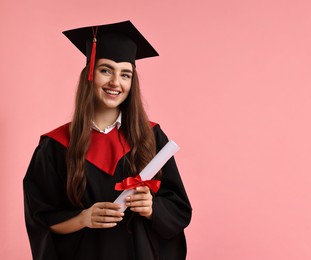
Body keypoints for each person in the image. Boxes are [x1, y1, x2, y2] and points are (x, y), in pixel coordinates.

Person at [23, 20, 192, 260]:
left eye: (125, 74)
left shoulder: (151, 137)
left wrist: (153, 207)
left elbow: (179, 209)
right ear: (89, 75)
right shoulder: (55, 146)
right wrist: (83, 218)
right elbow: (40, 218)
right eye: (105, 70)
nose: (115, 82)